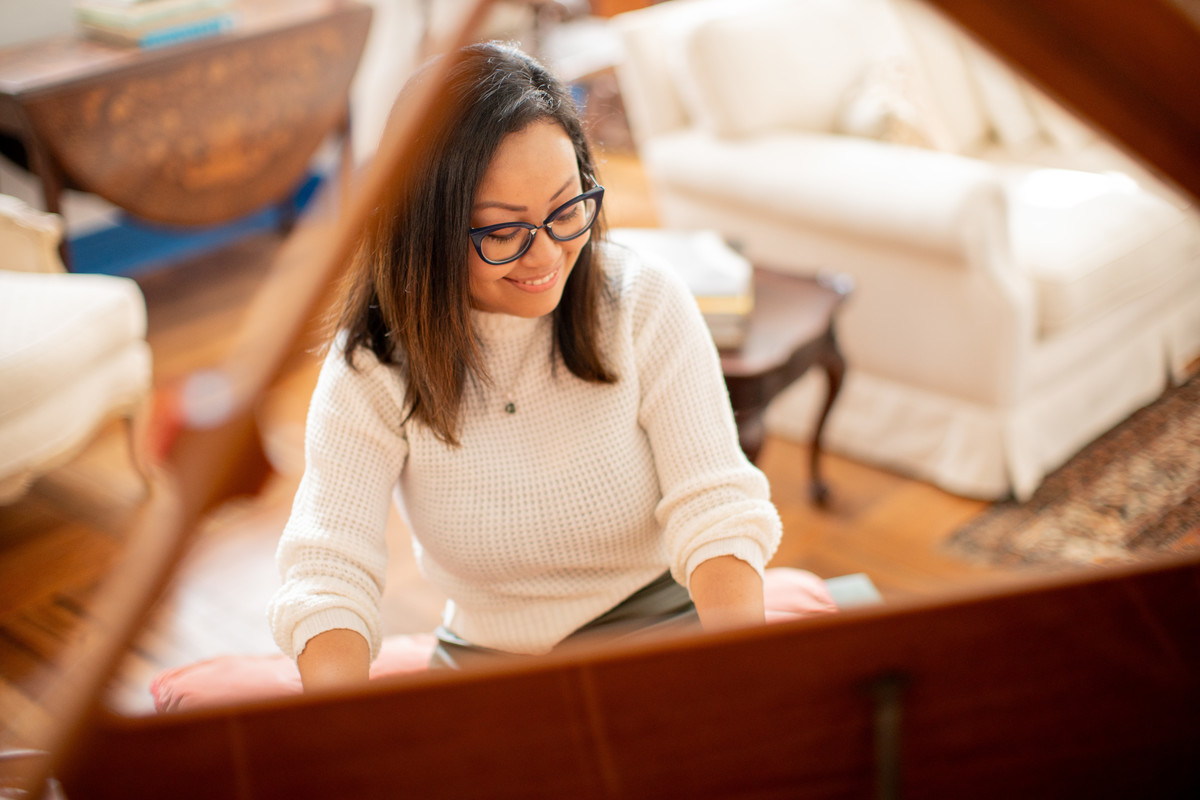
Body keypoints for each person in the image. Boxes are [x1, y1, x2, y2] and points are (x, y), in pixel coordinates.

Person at [268, 41, 782, 691]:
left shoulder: (642, 300)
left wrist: (747, 682)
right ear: (425, 230)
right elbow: (330, 571)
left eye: (567, 210)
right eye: (503, 232)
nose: (546, 257)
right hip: (490, 665)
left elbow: (716, 508)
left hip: (660, 628)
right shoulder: (374, 367)